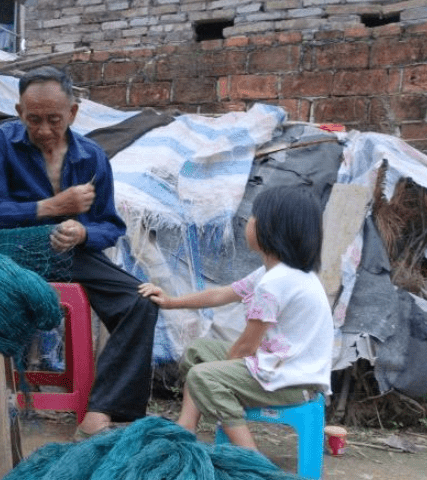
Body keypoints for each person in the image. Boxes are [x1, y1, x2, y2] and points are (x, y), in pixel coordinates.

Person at [0, 65, 159, 458]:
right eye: (33, 119)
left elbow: (109, 225)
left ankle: (100, 412)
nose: (45, 129)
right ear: (19, 111)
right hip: (13, 252)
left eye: (54, 119)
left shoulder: (92, 157)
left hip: (72, 254)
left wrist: (83, 233)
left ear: (74, 113)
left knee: (140, 303)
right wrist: (53, 206)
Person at [138, 185, 333, 451]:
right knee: (199, 351)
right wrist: (170, 302)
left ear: (271, 229)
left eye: (254, 217)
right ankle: (186, 427)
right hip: (282, 370)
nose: (248, 222)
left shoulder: (275, 283)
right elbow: (222, 294)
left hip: (291, 381)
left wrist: (219, 376)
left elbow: (245, 348)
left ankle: (249, 456)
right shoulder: (276, 274)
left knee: (202, 376)